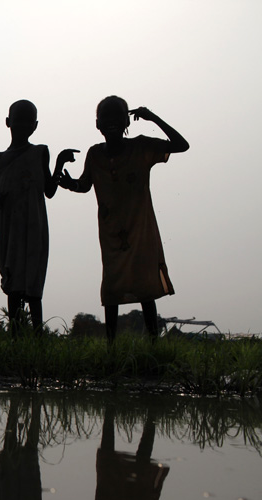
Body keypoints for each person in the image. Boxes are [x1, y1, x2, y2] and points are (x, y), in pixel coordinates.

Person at [59, 96, 189, 342]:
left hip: (140, 232)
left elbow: (181, 145)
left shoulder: (140, 148)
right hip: (111, 235)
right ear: (97, 124)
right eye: (105, 119)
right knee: (112, 289)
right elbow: (84, 184)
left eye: (116, 118)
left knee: (145, 288)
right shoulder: (95, 154)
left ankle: (153, 346)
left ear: (126, 121)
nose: (111, 124)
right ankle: (112, 349)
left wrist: (153, 117)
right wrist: (68, 184)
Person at [0, 100, 78, 334]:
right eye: (18, 121)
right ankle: (16, 336)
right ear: (8, 122)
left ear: (35, 125)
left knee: (33, 284)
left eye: (28, 122)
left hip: (34, 226)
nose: (22, 126)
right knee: (13, 285)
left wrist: (59, 162)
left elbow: (48, 191)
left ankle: (37, 337)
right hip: (10, 230)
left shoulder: (40, 152)